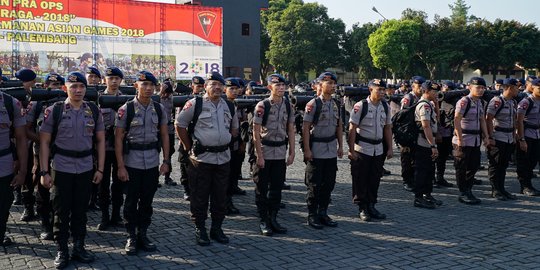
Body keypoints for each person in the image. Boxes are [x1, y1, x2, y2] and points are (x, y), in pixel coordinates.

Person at [39, 71, 105, 268]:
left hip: (85, 167)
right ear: (65, 88)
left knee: (80, 210)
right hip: (61, 167)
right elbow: (44, 143)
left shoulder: (93, 110)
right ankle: (62, 249)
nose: (78, 90)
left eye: (81, 87)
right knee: (61, 210)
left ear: (86, 89)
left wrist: (100, 169)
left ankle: (79, 247)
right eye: (73, 86)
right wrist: (43, 172)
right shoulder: (55, 110)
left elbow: (100, 141)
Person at [176, 72, 238, 245]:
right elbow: (179, 125)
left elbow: (234, 129)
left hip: (223, 159)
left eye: (220, 84)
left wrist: (223, 139)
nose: (217, 87)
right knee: (199, 196)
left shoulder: (230, 106)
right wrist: (189, 147)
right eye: (213, 84)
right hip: (201, 160)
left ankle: (217, 228)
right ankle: (200, 229)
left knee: (220, 197)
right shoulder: (195, 104)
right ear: (205, 86)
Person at [115, 71, 170, 255]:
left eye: (151, 85)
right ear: (136, 86)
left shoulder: (159, 108)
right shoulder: (127, 109)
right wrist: (121, 166)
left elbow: (164, 135)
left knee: (147, 201)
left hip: (152, 162)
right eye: (143, 84)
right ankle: (131, 235)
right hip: (132, 162)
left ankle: (143, 233)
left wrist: (166, 161)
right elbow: (118, 139)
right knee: (130, 201)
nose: (148, 88)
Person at [252, 74, 295, 236]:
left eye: (283, 85)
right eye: (277, 85)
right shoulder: (262, 106)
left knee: (276, 189)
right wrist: (259, 155)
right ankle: (263, 220)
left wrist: (291, 153)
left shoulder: (288, 105)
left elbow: (290, 129)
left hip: (280, 152)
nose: (281, 88)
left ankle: (273, 218)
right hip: (265, 150)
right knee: (261, 189)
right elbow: (255, 132)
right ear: (270, 87)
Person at [25, 73, 64, 240]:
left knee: (62, 189)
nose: (53, 86)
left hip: (63, 153)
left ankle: (59, 223)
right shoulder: (37, 104)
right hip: (41, 152)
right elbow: (27, 130)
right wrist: (43, 141)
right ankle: (45, 224)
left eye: (57, 84)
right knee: (42, 188)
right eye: (50, 83)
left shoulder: (68, 104)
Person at [302, 72, 343, 229]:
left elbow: (339, 126)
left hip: (331, 148)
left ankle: (323, 212)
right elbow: (305, 128)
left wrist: (341, 146)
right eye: (329, 83)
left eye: (333, 83)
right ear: (320, 85)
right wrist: (307, 149)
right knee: (314, 184)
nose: (332, 86)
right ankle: (312, 215)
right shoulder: (313, 104)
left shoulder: (336, 103)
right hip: (316, 149)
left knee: (329, 183)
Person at [348, 79, 392, 221]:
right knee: (361, 179)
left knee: (374, 179)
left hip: (378, 149)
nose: (381, 92)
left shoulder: (385, 107)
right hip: (362, 148)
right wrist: (351, 149)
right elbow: (352, 129)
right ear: (370, 90)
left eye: (383, 90)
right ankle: (362, 207)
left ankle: (371, 205)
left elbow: (387, 128)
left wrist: (390, 148)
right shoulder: (361, 106)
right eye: (378, 89)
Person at [96, 67, 126, 231]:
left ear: (121, 80)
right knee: (103, 183)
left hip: (121, 149)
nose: (114, 81)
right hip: (104, 148)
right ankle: (104, 216)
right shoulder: (98, 99)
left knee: (119, 183)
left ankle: (116, 214)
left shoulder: (127, 100)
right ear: (105, 80)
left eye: (117, 78)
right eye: (111, 78)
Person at [453, 77, 490, 205]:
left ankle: (468, 189)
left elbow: (482, 120)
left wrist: (486, 136)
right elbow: (457, 120)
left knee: (473, 166)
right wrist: (459, 138)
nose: (480, 90)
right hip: (463, 138)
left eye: (483, 88)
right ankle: (463, 192)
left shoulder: (480, 102)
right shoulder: (464, 101)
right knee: (461, 166)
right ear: (470, 87)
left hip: (475, 140)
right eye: (478, 88)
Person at [0, 90, 28, 247]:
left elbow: (21, 138)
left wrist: (23, 171)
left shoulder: (11, 103)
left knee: (3, 204)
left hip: (4, 164)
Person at [486, 78, 518, 200]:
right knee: (495, 164)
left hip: (509, 137)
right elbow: (488, 119)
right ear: (509, 87)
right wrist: (490, 137)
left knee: (504, 164)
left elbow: (514, 120)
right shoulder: (496, 101)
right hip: (498, 136)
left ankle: (502, 188)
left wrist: (515, 135)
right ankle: (495, 189)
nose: (518, 90)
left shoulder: (513, 102)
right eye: (516, 88)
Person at [413, 81, 443, 209]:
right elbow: (425, 126)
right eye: (433, 91)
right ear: (426, 91)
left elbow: (436, 121)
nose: (436, 93)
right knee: (422, 171)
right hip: (423, 143)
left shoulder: (430, 104)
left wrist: (436, 104)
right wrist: (433, 145)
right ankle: (418, 198)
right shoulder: (423, 106)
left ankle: (427, 194)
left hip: (429, 142)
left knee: (430, 171)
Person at [177, 76, 206, 201]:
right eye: (197, 86)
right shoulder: (185, 99)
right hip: (186, 135)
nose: (200, 88)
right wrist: (183, 141)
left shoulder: (205, 100)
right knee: (184, 163)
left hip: (199, 136)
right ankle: (186, 188)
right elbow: (179, 121)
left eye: (201, 86)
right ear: (192, 86)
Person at [399, 76, 425, 191]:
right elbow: (402, 115)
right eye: (419, 86)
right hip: (407, 132)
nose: (421, 88)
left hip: (417, 132)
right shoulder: (408, 98)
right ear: (413, 86)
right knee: (406, 157)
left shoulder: (423, 98)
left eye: (422, 86)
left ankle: (413, 178)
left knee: (415, 157)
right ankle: (406, 180)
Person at [516, 78, 540, 196]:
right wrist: (521, 139)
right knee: (524, 161)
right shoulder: (526, 102)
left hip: (537, 134)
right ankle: (524, 186)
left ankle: (529, 184)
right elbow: (519, 121)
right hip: (526, 134)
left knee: (533, 161)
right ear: (533, 88)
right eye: (539, 88)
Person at [223, 78, 243, 215]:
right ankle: (224, 203)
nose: (235, 91)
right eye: (232, 89)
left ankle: (228, 201)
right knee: (224, 177)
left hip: (234, 144)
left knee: (232, 175)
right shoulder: (222, 104)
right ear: (225, 89)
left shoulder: (235, 104)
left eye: (236, 89)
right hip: (224, 145)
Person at [435, 81, 455, 188]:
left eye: (450, 90)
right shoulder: (437, 99)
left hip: (447, 133)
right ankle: (432, 178)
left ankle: (440, 177)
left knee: (443, 157)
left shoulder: (454, 100)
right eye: (445, 90)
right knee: (434, 157)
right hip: (436, 133)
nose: (447, 92)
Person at [160, 79, 178, 187]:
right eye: (165, 92)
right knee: (154, 153)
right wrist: (161, 92)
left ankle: (167, 177)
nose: (166, 94)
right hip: (157, 131)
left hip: (169, 130)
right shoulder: (157, 99)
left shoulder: (172, 100)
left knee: (169, 154)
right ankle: (154, 178)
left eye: (168, 92)